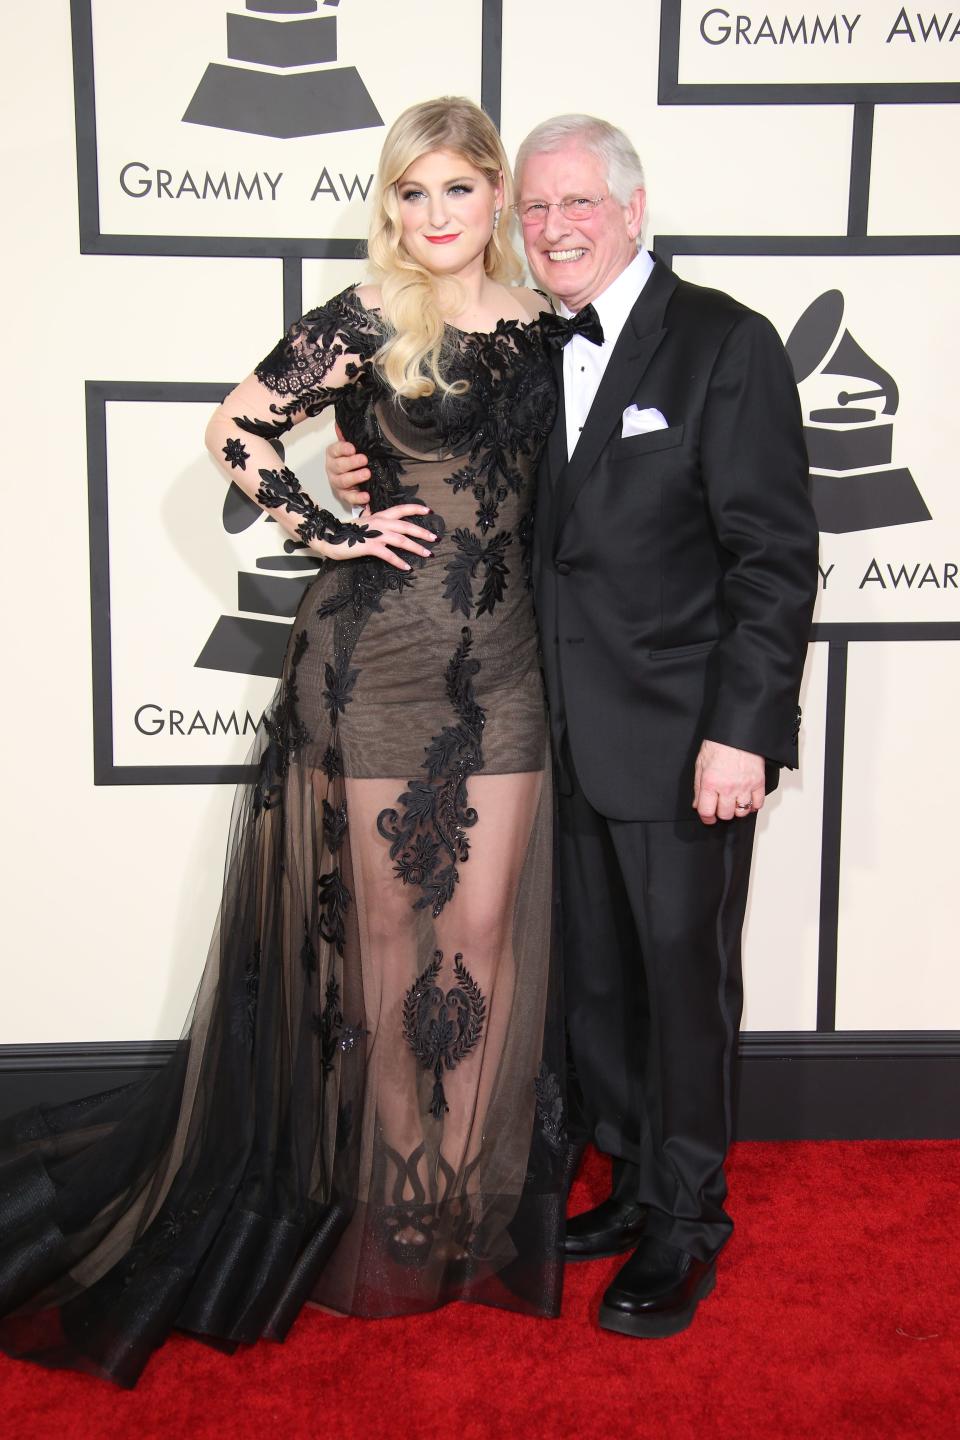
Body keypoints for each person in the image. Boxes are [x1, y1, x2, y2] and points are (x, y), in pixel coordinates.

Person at [0, 97, 567, 1388]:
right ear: (393, 207)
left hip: (507, 671)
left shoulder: (548, 330)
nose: (434, 217)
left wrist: (352, 453)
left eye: (456, 192)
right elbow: (230, 429)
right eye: (410, 194)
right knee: (380, 941)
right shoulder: (366, 323)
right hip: (373, 663)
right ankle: (397, 1178)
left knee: (478, 936)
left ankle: (464, 1186)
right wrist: (331, 520)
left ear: (493, 197)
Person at [326, 114, 820, 1339]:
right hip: (547, 730)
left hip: (682, 741)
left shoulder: (725, 344)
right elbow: (466, 471)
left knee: (682, 989)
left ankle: (688, 1220)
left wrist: (743, 732)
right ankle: (626, 1179)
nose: (552, 228)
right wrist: (357, 471)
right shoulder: (531, 342)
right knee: (595, 991)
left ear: (634, 212)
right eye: (536, 208)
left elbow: (773, 557)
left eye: (577, 206)